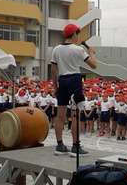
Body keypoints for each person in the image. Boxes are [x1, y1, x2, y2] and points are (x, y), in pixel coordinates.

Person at [51, 23, 97, 157]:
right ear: (75, 34)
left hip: (62, 80)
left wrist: (55, 88)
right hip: (75, 80)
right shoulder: (78, 50)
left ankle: (59, 145)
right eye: (78, 33)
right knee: (75, 115)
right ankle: (75, 146)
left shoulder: (56, 49)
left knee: (60, 116)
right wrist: (91, 53)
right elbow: (94, 65)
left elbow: (53, 70)